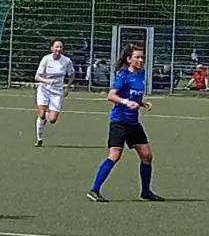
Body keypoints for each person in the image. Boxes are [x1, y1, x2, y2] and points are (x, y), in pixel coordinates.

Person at [88, 43, 163, 202]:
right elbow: (111, 95)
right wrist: (126, 102)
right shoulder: (123, 75)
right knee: (114, 155)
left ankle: (146, 191)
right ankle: (94, 190)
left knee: (147, 156)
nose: (141, 60)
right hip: (119, 121)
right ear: (129, 59)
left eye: (142, 57)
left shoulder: (140, 76)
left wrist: (141, 103)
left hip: (133, 123)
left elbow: (133, 97)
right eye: (137, 57)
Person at [33, 40, 74, 148]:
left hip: (57, 92)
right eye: (56, 47)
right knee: (41, 114)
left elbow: (72, 74)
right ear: (52, 48)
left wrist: (67, 88)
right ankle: (39, 139)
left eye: (61, 47)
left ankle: (47, 114)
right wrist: (47, 81)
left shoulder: (66, 61)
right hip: (44, 90)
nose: (59, 49)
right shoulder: (46, 59)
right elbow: (37, 77)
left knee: (52, 119)